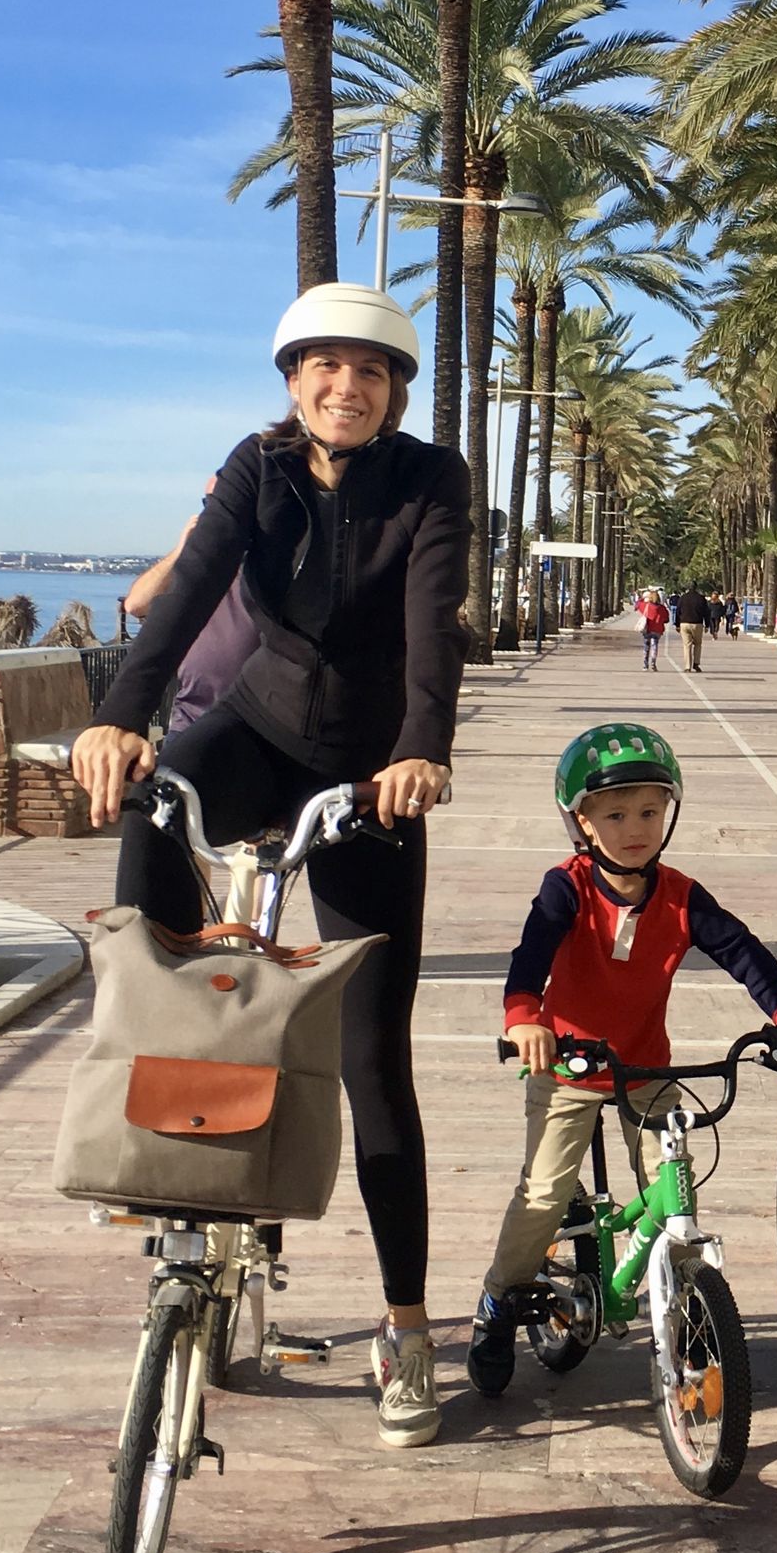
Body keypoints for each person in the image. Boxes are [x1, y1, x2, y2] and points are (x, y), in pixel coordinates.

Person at [71, 284, 470, 1451]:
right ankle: (147, 1034)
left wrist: (421, 751)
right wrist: (121, 715)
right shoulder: (259, 466)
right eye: (325, 366)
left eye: (372, 370)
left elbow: (434, 625)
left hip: (368, 768)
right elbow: (190, 588)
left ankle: (405, 1327)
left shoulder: (429, 481)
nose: (348, 386)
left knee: (373, 1056)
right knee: (155, 800)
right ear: (294, 381)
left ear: (395, 392)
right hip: (256, 728)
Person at [468, 724, 777, 1392]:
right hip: (567, 1067)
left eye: (650, 812)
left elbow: (740, 949)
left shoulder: (681, 895)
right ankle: (498, 1299)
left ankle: (680, 1298)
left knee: (672, 1179)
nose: (636, 828)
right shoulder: (567, 887)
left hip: (647, 1070)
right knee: (543, 1194)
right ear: (583, 822)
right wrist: (524, 1019)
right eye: (616, 814)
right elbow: (530, 955)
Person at [124, 476, 265, 734]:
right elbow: (136, 604)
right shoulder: (193, 571)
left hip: (258, 727)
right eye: (211, 503)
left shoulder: (270, 564)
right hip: (191, 720)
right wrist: (183, 549)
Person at [671, 580, 708, 672]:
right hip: (697, 623)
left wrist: (677, 624)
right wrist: (707, 625)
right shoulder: (701, 598)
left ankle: (687, 666)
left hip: (684, 623)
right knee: (698, 644)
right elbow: (706, 612)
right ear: (696, 587)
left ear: (688, 587)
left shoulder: (683, 598)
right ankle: (696, 663)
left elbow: (678, 611)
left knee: (687, 645)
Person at [637, 587, 669, 673]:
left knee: (646, 646)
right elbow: (666, 619)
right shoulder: (662, 608)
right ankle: (653, 663)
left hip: (647, 628)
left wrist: (643, 597)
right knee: (654, 645)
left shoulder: (646, 606)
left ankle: (645, 665)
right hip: (657, 629)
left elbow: (637, 604)